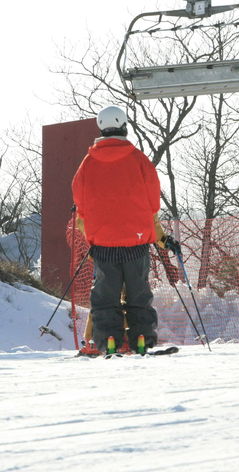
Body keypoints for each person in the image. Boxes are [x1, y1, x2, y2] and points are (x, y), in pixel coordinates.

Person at [72, 105, 180, 353]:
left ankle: (108, 341)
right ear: (124, 127)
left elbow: (81, 206)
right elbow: (153, 202)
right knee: (138, 293)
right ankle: (141, 340)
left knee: (105, 297)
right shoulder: (139, 160)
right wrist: (156, 235)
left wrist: (92, 237)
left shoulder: (87, 165)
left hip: (103, 245)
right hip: (137, 242)